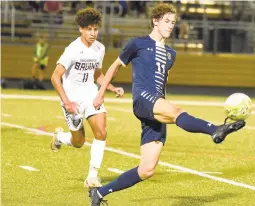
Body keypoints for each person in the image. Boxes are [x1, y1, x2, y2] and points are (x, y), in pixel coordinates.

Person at [89, 3, 246, 205]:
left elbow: (161, 82)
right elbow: (114, 67)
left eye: (173, 22)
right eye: (166, 21)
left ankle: (99, 193)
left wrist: (162, 104)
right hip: (142, 99)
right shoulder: (137, 43)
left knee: (147, 169)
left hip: (156, 105)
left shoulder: (171, 54)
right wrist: (101, 93)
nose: (170, 25)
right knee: (176, 111)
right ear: (155, 21)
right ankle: (215, 129)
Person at [50, 7, 124, 189]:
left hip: (91, 95)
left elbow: (97, 74)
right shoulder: (73, 50)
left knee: (101, 132)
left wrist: (111, 87)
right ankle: (59, 137)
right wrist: (66, 101)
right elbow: (55, 76)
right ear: (81, 29)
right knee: (78, 142)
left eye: (95, 29)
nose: (93, 33)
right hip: (73, 100)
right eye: (89, 29)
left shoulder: (100, 48)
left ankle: (92, 176)